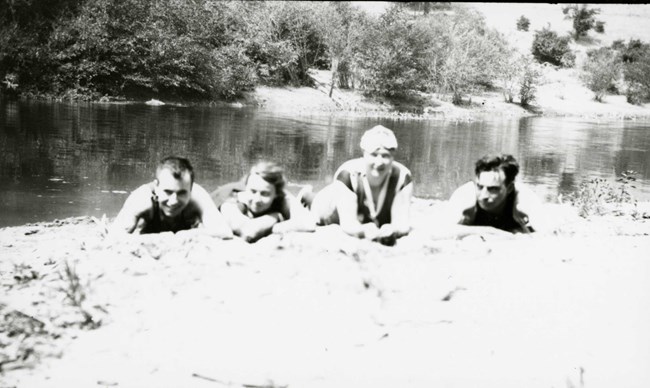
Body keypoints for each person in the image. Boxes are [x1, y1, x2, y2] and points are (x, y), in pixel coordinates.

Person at [305, 125, 413, 246]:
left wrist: (393, 230)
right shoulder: (347, 174)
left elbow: (402, 224)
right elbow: (348, 224)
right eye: (374, 154)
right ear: (364, 154)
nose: (379, 162)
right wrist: (364, 230)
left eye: (385, 155)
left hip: (365, 212)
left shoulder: (402, 177)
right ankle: (307, 195)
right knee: (318, 207)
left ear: (393, 156)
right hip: (329, 207)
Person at [110, 156, 233, 237]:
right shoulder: (142, 198)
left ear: (191, 189)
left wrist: (185, 235)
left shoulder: (198, 196)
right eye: (168, 192)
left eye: (182, 193)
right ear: (156, 187)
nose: (173, 201)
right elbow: (115, 235)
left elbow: (224, 232)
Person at [444, 154, 548, 234]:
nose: (483, 195)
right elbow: (439, 232)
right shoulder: (466, 197)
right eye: (480, 187)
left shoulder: (523, 200)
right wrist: (491, 232)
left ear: (509, 188)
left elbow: (548, 234)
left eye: (493, 189)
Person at [214, 161, 315, 243]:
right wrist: (275, 217)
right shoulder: (231, 200)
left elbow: (308, 224)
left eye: (264, 194)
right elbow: (248, 233)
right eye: (253, 191)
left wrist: (270, 227)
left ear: (276, 194)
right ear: (246, 188)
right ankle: (303, 194)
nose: (257, 199)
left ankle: (304, 194)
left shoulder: (281, 197)